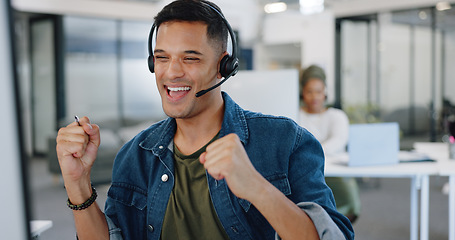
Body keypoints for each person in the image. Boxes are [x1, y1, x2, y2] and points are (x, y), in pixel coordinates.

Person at [56, 1, 354, 239]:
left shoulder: (286, 141)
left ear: (224, 66)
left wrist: (257, 188)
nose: (171, 73)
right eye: (162, 57)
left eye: (190, 58)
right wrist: (78, 183)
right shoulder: (135, 155)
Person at [298, 64, 361, 223]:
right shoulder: (295, 114)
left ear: (325, 92)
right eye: (309, 92)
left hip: (335, 171)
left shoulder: (337, 116)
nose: (314, 97)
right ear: (302, 93)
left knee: (349, 204)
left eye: (319, 91)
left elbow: (339, 140)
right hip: (306, 171)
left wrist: (313, 153)